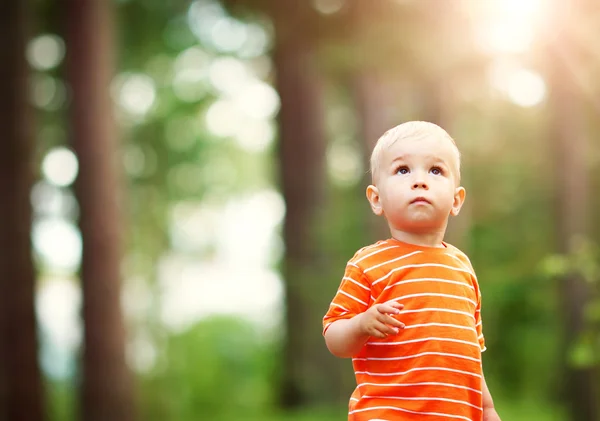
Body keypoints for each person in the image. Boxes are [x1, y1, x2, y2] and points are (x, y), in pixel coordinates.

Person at [322, 121, 501, 421]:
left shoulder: (462, 267)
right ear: (376, 199)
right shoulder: (367, 264)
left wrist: (487, 409)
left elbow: (469, 352)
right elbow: (333, 338)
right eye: (403, 170)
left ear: (456, 200)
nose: (420, 181)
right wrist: (362, 324)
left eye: (435, 171)